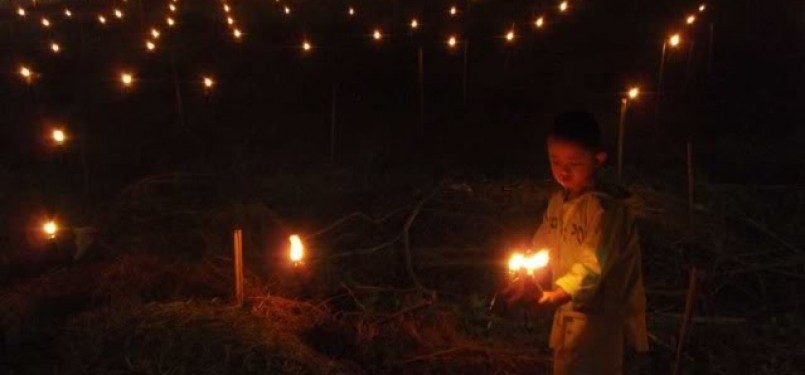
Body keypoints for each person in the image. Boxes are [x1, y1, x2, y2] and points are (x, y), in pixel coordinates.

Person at [509, 110, 648, 374]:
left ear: (598, 159)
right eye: (555, 161)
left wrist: (557, 294)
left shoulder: (606, 211)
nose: (563, 170)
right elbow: (543, 244)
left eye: (573, 163)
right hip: (567, 313)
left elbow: (592, 265)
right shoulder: (558, 203)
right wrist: (523, 274)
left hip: (600, 321)